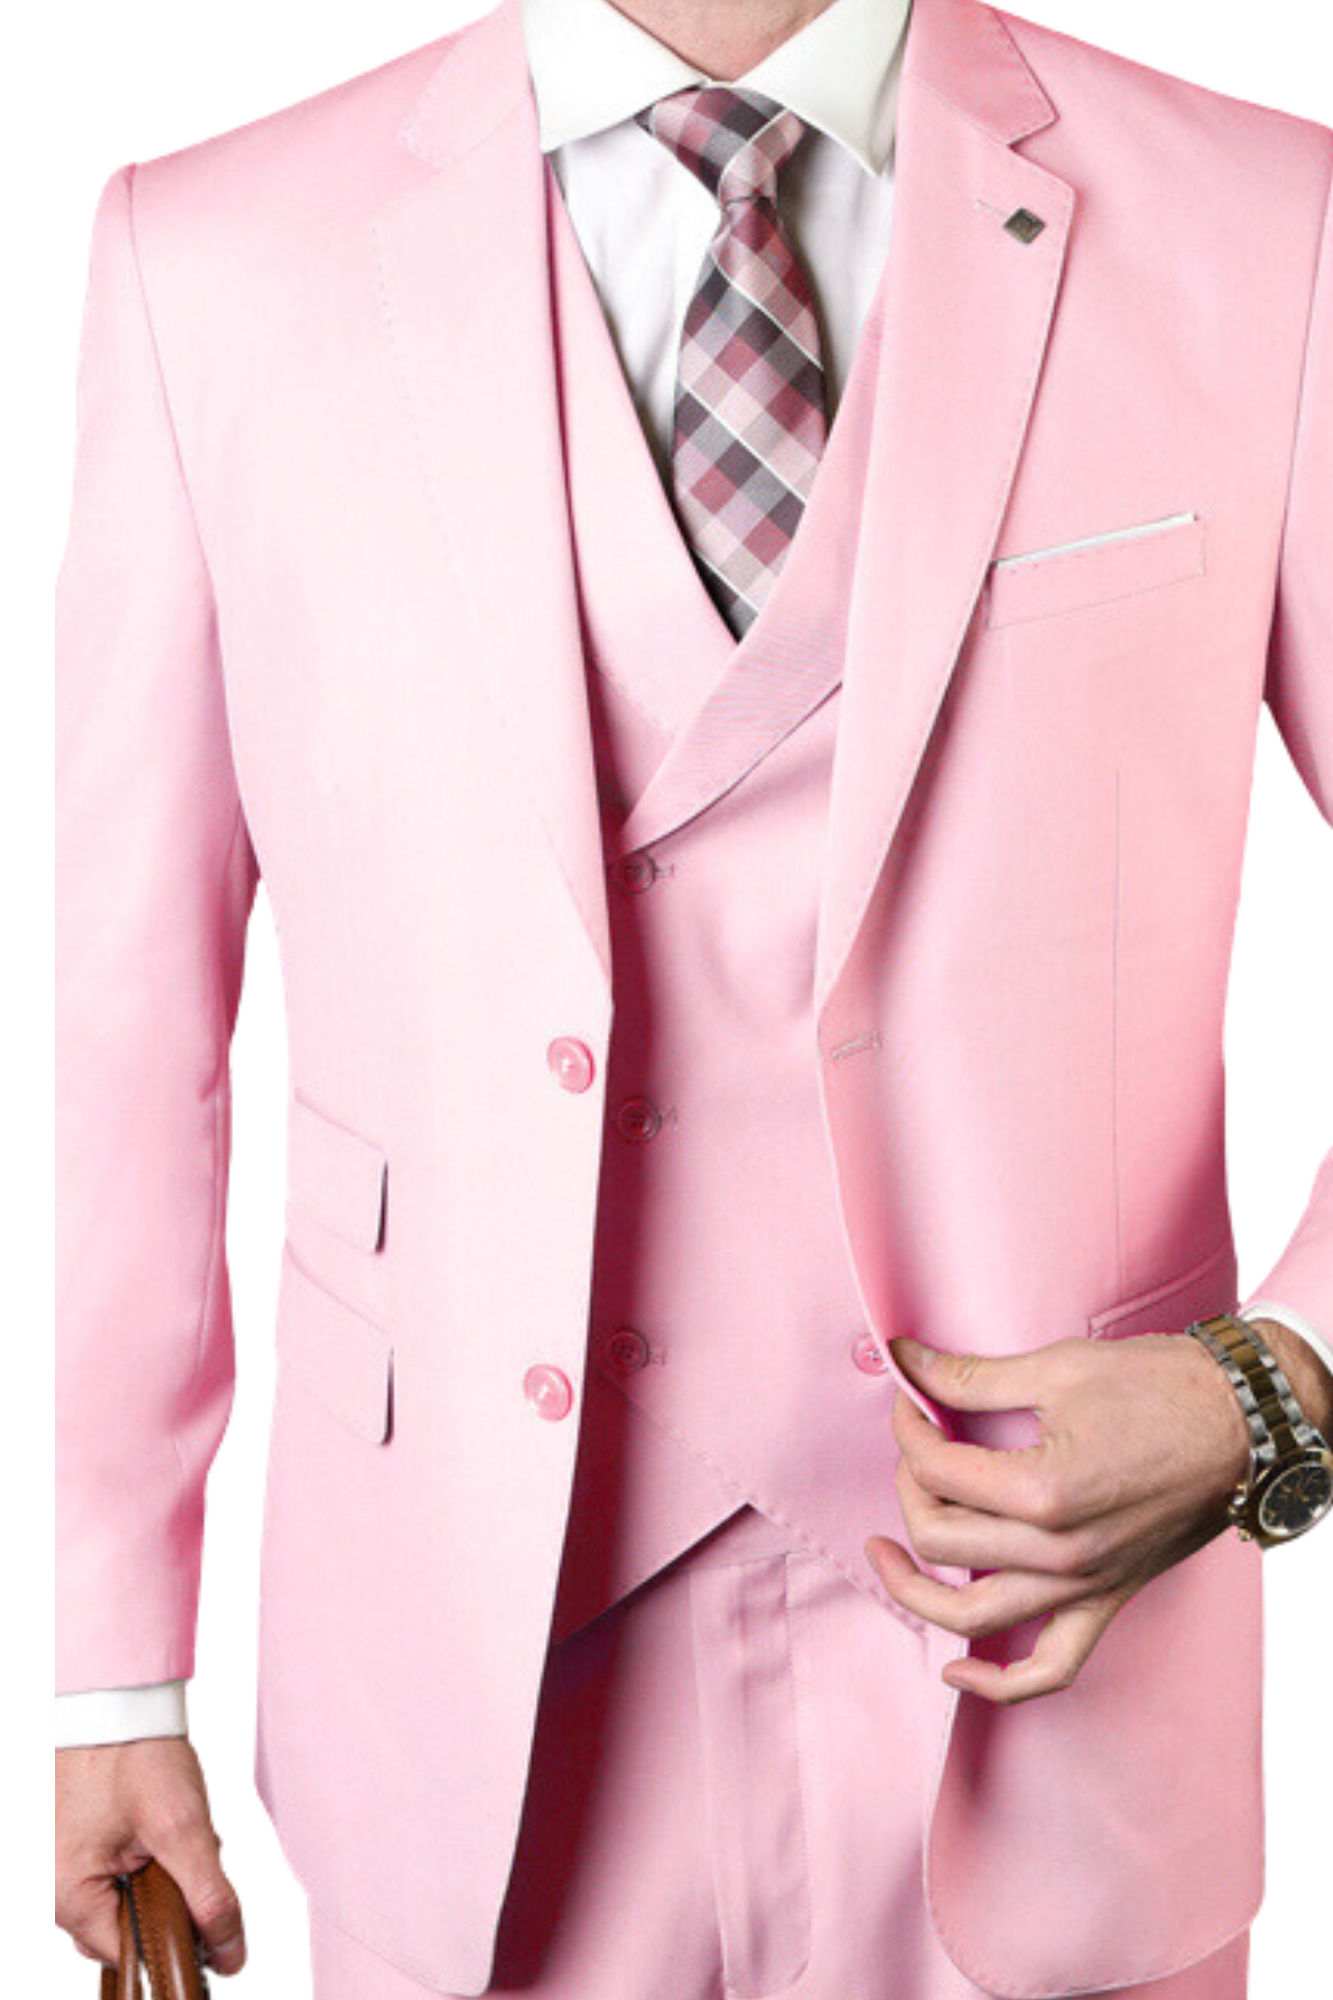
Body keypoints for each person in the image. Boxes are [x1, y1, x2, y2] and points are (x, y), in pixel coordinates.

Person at [54, 0, 1333, 1992]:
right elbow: (127, 1023)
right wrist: (108, 1661)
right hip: (466, 1693)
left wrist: (1280, 1381)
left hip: (1064, 1655)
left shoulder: (1267, 224)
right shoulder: (212, 259)